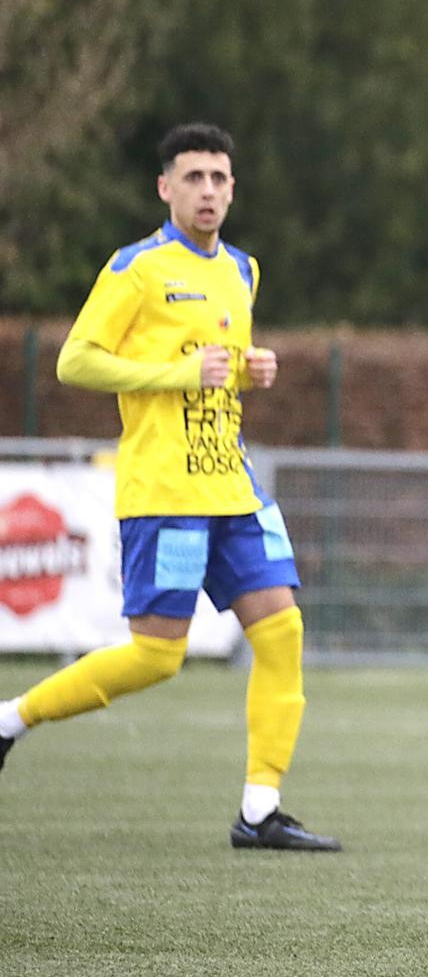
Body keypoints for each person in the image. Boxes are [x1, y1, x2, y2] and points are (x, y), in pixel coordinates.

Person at [0, 124, 340, 851]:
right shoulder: (137, 268)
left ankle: (259, 809)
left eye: (219, 177)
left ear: (233, 188)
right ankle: (10, 718)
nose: (208, 190)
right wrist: (177, 374)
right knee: (157, 656)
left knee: (282, 629)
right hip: (167, 489)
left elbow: (217, 364)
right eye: (193, 177)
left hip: (234, 485)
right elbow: (75, 362)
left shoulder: (243, 270)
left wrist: (251, 370)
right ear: (166, 187)